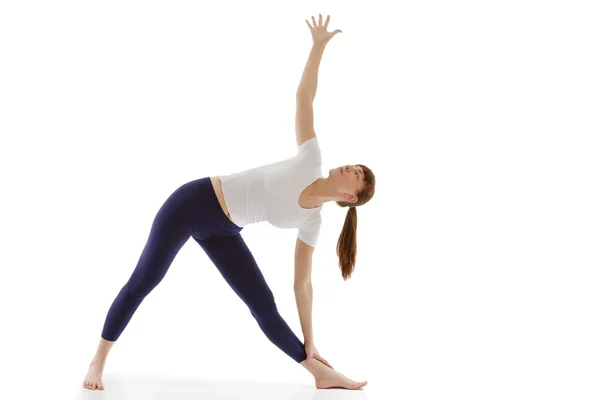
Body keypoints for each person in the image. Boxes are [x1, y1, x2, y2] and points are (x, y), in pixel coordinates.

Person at [83, 14, 375, 391]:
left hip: (223, 229)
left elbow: (302, 284)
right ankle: (98, 360)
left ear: (350, 197)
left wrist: (311, 339)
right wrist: (317, 47)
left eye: (357, 173)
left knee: (262, 303)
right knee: (144, 281)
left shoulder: (312, 222)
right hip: (192, 203)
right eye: (354, 165)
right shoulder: (310, 158)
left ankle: (319, 371)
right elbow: (304, 97)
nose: (350, 166)